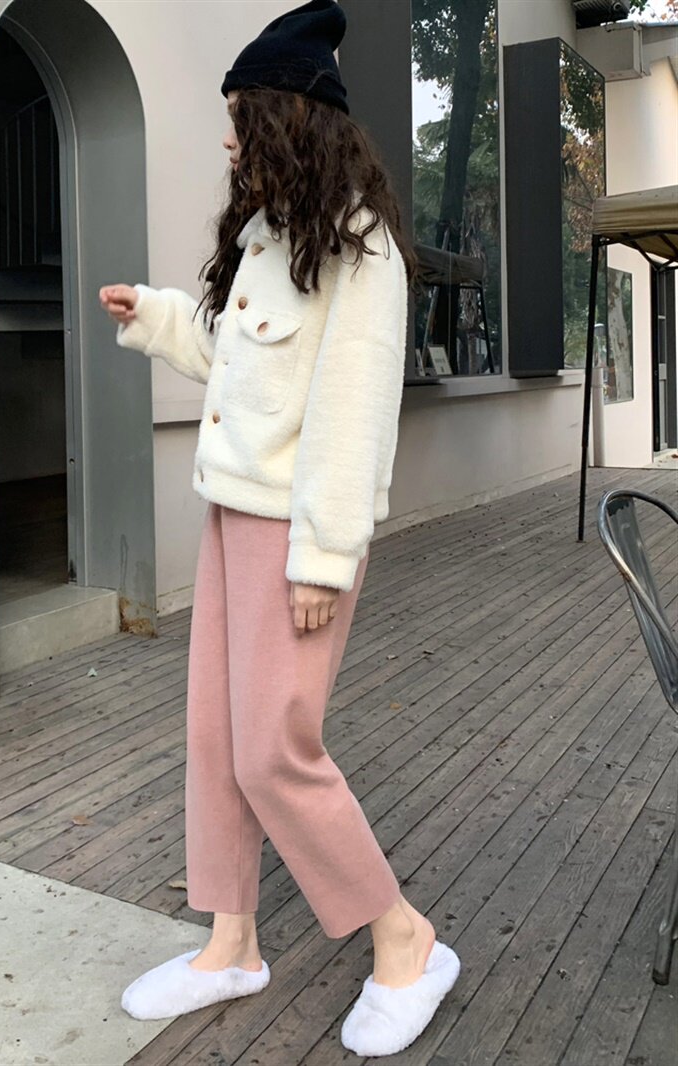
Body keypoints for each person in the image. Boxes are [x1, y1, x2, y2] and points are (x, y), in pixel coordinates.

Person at [98, 0, 459, 1056]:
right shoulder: (271, 236)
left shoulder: (361, 249)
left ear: (287, 120)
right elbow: (234, 358)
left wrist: (323, 559)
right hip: (232, 516)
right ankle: (230, 944)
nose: (227, 141)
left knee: (272, 752)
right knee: (217, 740)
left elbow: (352, 415)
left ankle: (404, 939)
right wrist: (157, 316)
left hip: (298, 536)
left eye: (240, 120)